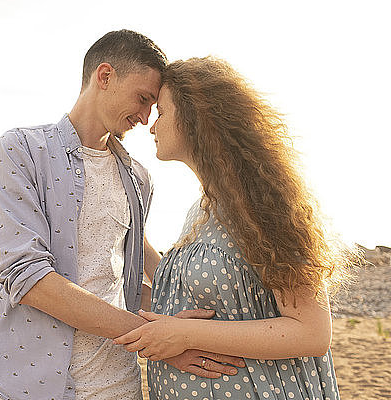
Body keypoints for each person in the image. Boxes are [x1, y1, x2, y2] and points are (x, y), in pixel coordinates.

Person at [0, 33, 244, 400]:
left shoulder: (139, 178)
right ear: (104, 76)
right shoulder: (22, 150)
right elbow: (27, 277)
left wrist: (190, 329)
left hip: (117, 386)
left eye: (155, 107)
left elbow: (124, 276)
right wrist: (154, 337)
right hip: (24, 384)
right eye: (143, 98)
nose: (146, 117)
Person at [114, 56, 354, 399]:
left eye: (163, 112)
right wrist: (126, 228)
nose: (152, 126)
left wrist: (184, 335)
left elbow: (312, 334)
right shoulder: (202, 208)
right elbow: (179, 282)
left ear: (196, 119)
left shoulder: (264, 203)